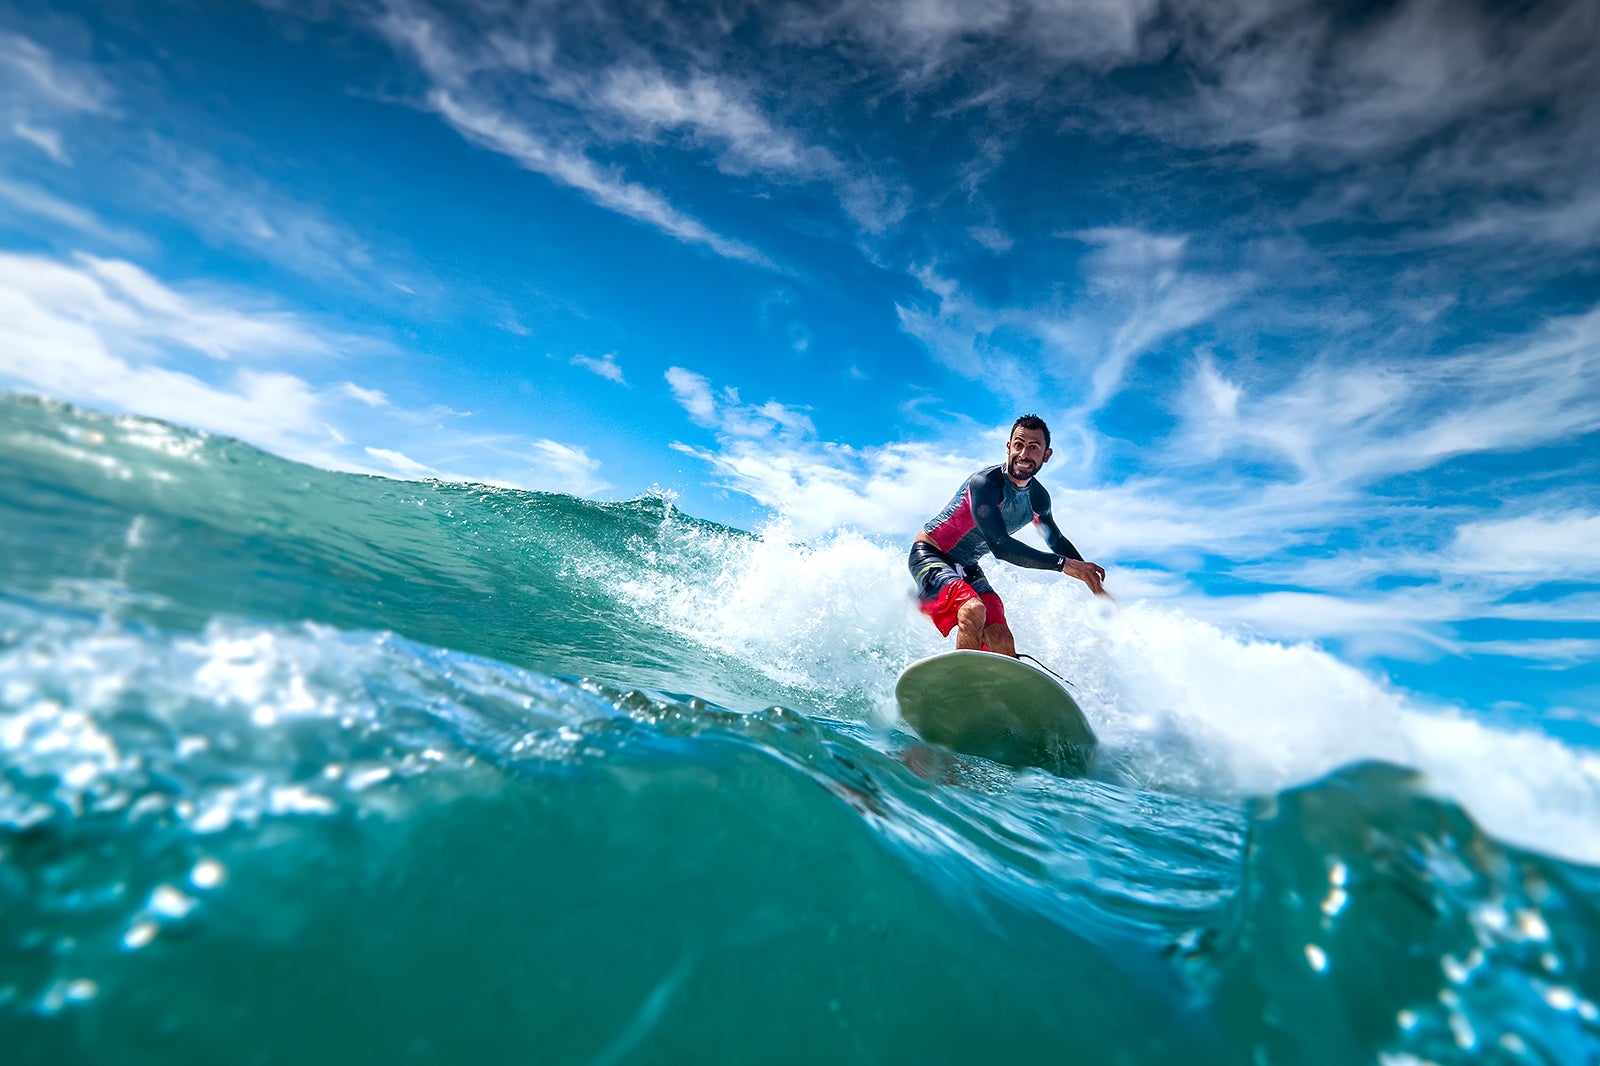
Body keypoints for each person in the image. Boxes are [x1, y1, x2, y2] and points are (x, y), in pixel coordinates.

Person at [909, 414, 1108, 656]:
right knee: (973, 610)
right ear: (1008, 446)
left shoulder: (1038, 498)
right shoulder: (986, 484)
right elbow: (1000, 546)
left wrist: (1086, 571)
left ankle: (995, 690)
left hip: (967, 565)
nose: (1024, 454)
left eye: (1034, 447)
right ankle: (962, 684)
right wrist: (1064, 565)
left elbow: (1054, 539)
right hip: (931, 554)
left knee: (1002, 639)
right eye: (1019, 444)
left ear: (1047, 454)